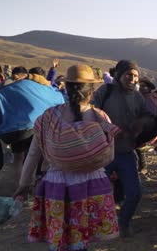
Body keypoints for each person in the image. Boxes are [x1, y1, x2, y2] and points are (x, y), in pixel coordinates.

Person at [14, 64, 119, 251]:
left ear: (67, 87)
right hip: (92, 183)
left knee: (62, 237)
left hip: (57, 183)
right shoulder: (100, 117)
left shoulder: (48, 117)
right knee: (83, 236)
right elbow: (109, 156)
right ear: (91, 91)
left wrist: (24, 184)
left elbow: (33, 154)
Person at [0, 66, 65, 189]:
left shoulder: (12, 87)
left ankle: (20, 188)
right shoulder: (44, 88)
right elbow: (60, 100)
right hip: (38, 128)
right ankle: (31, 187)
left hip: (17, 131)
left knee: (18, 159)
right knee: (33, 158)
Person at [91, 60, 152, 236]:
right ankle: (97, 225)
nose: (132, 79)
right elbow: (90, 112)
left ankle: (123, 223)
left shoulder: (138, 96)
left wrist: (142, 122)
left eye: (135, 76)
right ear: (119, 75)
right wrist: (107, 128)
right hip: (103, 153)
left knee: (134, 193)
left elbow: (147, 116)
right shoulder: (106, 91)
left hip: (126, 152)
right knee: (97, 192)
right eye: (128, 75)